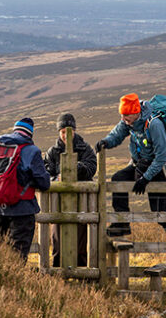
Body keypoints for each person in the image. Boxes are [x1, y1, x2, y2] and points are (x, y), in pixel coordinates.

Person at [95, 93, 166, 260]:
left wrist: (145, 178)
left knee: (159, 212)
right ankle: (122, 222)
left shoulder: (154, 124)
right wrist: (105, 142)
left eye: (126, 115)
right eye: (122, 115)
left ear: (136, 112)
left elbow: (161, 156)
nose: (124, 119)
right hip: (140, 164)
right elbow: (116, 134)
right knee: (118, 179)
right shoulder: (128, 122)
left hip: (161, 170)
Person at [0, 117, 50, 261]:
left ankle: (6, 282)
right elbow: (44, 183)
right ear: (30, 133)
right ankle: (16, 282)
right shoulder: (31, 151)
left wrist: (1, 190)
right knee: (18, 257)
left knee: (3, 254)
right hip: (23, 210)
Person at [44, 113, 97, 267]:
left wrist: (77, 168)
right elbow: (47, 172)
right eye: (63, 132)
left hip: (81, 201)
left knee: (81, 238)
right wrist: (56, 179)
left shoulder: (85, 148)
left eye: (69, 131)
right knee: (57, 237)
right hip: (58, 203)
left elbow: (92, 168)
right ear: (58, 132)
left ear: (74, 130)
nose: (66, 135)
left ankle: (81, 270)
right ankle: (57, 270)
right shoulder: (52, 152)